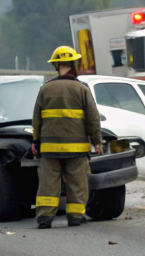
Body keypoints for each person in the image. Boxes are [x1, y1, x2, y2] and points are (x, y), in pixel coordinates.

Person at [32, 46, 103, 229]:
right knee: (77, 184)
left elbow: (37, 119)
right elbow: (93, 119)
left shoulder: (45, 89)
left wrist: (35, 141)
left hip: (49, 149)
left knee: (48, 184)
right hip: (77, 149)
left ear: (56, 65)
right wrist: (97, 142)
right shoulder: (82, 89)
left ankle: (45, 218)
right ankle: (75, 216)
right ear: (74, 64)